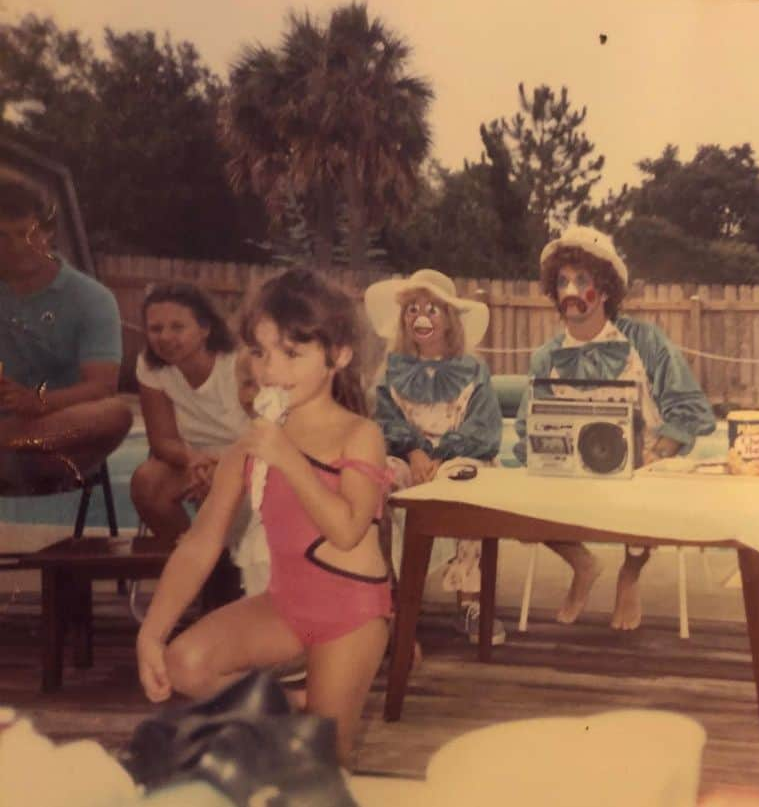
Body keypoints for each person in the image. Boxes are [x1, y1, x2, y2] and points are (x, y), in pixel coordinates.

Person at [135, 267, 392, 767]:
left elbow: (346, 529)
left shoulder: (358, 435)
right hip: (287, 604)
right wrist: (152, 631)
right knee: (184, 665)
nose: (270, 369)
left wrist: (288, 459)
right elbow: (200, 543)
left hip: (351, 614)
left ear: (337, 356)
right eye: (259, 350)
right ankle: (295, 705)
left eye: (291, 354)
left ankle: (319, 714)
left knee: (324, 759)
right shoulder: (250, 445)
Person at [513, 226, 716, 630]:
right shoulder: (546, 357)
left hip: (642, 468)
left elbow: (690, 408)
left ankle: (630, 574)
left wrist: (657, 452)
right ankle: (582, 563)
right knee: (515, 497)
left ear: (604, 290)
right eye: (563, 281)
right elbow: (525, 428)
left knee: (645, 490)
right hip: (571, 475)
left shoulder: (646, 341)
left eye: (582, 281)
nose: (571, 290)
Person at [364, 268, 505, 645]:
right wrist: (412, 451)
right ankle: (391, 594)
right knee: (381, 477)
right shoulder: (391, 368)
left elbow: (484, 428)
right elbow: (382, 420)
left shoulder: (473, 370)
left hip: (456, 456)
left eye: (432, 309)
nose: (421, 317)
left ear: (449, 319)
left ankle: (470, 601)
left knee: (471, 479)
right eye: (412, 309)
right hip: (410, 457)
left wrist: (443, 456)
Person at [129, 284, 272, 594]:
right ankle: (207, 572)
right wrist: (194, 461)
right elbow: (162, 439)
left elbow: (269, 434)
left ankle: (233, 579)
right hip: (194, 460)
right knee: (147, 482)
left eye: (177, 326)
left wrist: (223, 469)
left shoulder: (239, 361)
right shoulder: (151, 366)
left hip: (249, 457)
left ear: (205, 328)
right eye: (156, 328)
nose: (165, 336)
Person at [0, 174, 132, 489]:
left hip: (58, 443)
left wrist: (38, 402)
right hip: (7, 434)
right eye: (3, 236)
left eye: (26, 233)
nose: (18, 246)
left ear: (48, 234)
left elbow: (101, 387)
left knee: (117, 413)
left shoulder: (91, 298)